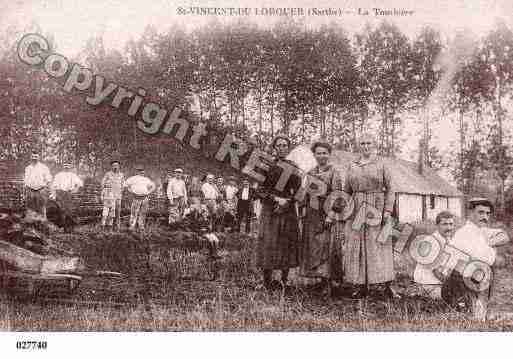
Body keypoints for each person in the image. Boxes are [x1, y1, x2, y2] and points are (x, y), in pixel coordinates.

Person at [343, 133, 396, 299]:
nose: (366, 146)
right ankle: (359, 285)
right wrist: (346, 209)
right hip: (357, 207)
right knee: (357, 245)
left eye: (369, 143)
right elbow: (346, 190)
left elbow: (391, 189)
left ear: (374, 144)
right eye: (363, 143)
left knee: (379, 244)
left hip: (377, 207)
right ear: (359, 146)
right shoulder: (353, 165)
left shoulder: (382, 164)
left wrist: (387, 211)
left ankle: (385, 285)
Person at [441, 198, 509, 320]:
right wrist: (493, 250)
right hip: (456, 286)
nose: (485, 217)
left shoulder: (480, 230)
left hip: (469, 282)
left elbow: (505, 236)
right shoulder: (466, 233)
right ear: (470, 213)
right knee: (486, 270)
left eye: (488, 214)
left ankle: (481, 313)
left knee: (484, 271)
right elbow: (497, 261)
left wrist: (489, 242)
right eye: (481, 212)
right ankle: (478, 315)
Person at [256, 135, 301, 290]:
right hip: (270, 208)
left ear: (288, 148)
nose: (282, 148)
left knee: (286, 242)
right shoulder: (266, 165)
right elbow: (260, 189)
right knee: (268, 241)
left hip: (288, 209)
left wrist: (288, 201)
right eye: (279, 145)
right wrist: (276, 199)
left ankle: (284, 280)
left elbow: (299, 189)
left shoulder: (294, 166)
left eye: (284, 145)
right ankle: (266, 280)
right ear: (274, 147)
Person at [299, 142, 345, 293]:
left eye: (324, 153)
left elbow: (338, 196)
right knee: (314, 247)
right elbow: (305, 193)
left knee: (327, 246)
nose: (321, 156)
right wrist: (303, 209)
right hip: (312, 215)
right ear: (314, 155)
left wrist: (331, 215)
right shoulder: (311, 172)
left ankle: (329, 282)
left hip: (327, 215)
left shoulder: (334, 172)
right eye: (318, 153)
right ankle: (319, 278)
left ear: (329, 154)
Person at [413, 211, 455, 299]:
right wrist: (451, 284)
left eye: (451, 224)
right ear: (437, 225)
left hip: (439, 282)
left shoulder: (448, 240)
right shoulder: (431, 241)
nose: (449, 227)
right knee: (456, 298)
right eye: (445, 224)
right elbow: (436, 271)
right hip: (428, 284)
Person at [51, 162, 83, 233]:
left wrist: (75, 189)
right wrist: (54, 195)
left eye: (68, 165)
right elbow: (54, 186)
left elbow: (80, 183)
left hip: (69, 194)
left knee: (69, 211)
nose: (66, 167)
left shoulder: (73, 175)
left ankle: (70, 228)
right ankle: (63, 227)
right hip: (60, 194)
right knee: (61, 211)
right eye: (65, 165)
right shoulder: (58, 175)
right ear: (63, 166)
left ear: (70, 166)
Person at [124, 166, 156, 231]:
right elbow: (125, 185)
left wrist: (148, 192)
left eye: (143, 171)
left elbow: (153, 186)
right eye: (140, 171)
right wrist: (131, 191)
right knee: (134, 212)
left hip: (144, 198)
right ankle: (132, 226)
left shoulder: (146, 179)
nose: (142, 172)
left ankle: (141, 226)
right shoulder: (132, 179)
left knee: (143, 213)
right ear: (137, 172)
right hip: (136, 197)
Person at [24, 151, 52, 219]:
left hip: (41, 190)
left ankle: (43, 224)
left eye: (36, 157)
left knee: (41, 207)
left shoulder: (44, 167)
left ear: (39, 157)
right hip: (30, 190)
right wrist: (25, 190)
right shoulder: (28, 168)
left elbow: (49, 179)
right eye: (33, 156)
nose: (34, 158)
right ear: (30, 157)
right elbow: (26, 180)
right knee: (30, 207)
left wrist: (48, 190)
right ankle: (30, 225)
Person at [101, 160, 125, 230]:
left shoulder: (121, 175)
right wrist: (104, 192)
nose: (115, 167)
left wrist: (121, 191)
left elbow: (123, 185)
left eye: (117, 165)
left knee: (117, 212)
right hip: (109, 197)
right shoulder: (108, 174)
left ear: (119, 166)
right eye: (114, 165)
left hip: (117, 197)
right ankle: (107, 227)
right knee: (107, 213)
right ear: (111, 166)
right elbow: (103, 183)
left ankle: (117, 227)